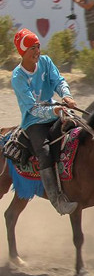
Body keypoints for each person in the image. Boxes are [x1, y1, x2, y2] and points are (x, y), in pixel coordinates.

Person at [11, 29, 79, 215]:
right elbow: (32, 108)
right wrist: (54, 110)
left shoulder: (46, 62)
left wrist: (66, 95)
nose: (37, 51)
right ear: (22, 52)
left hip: (56, 110)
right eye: (32, 48)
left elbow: (59, 81)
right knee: (45, 152)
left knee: (81, 129)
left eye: (38, 46)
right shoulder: (18, 77)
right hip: (34, 122)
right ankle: (57, 200)